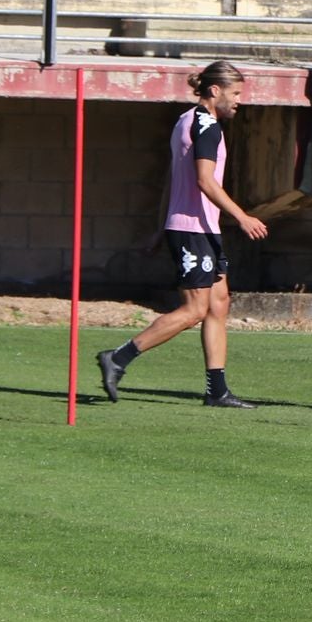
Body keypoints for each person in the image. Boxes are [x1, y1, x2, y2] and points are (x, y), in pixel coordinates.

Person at [95, 61, 268, 408]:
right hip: (193, 230)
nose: (239, 102)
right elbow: (205, 181)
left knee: (219, 304)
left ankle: (216, 391)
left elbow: (174, 181)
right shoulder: (207, 126)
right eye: (235, 94)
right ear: (215, 91)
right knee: (194, 310)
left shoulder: (184, 121)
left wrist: (160, 227)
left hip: (200, 228)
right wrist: (242, 216)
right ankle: (119, 357)